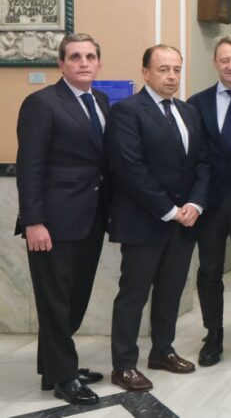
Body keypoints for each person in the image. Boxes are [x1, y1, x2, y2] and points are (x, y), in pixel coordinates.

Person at [106, 45, 209, 392]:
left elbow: (202, 163)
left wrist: (195, 203)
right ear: (145, 72)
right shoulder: (126, 111)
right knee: (133, 295)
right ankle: (123, 365)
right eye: (163, 69)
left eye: (177, 70)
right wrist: (169, 210)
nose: (171, 77)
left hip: (184, 223)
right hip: (144, 222)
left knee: (170, 292)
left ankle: (162, 351)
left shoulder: (189, 112)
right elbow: (129, 168)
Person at [15, 34, 109, 405]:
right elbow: (30, 167)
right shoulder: (41, 103)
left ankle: (54, 367)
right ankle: (64, 377)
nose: (83, 62)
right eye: (75, 57)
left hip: (91, 218)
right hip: (52, 223)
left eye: (90, 56)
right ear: (61, 63)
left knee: (74, 298)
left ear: (98, 63)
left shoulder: (100, 101)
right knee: (55, 301)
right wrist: (33, 220)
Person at [187, 35, 231, 367]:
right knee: (210, 271)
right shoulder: (195, 103)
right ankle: (212, 334)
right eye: (225, 60)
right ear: (215, 62)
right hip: (209, 202)